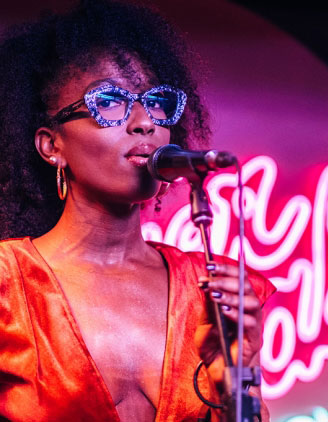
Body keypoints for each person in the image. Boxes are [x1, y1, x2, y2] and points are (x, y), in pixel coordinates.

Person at [0, 1, 275, 421]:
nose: (145, 123)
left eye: (158, 103)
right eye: (109, 101)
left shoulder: (211, 288)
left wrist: (236, 384)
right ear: (51, 145)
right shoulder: (8, 282)